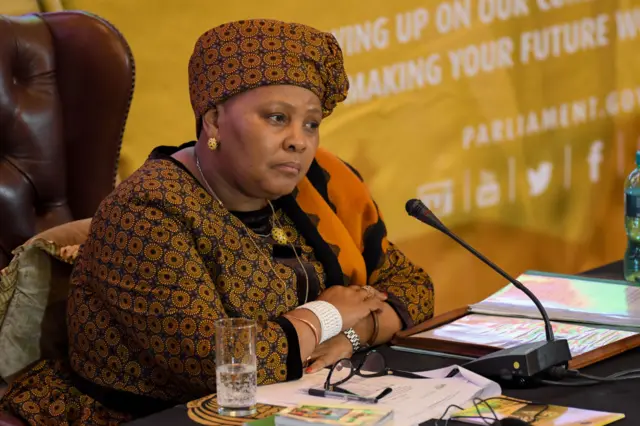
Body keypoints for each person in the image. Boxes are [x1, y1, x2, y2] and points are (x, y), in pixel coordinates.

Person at [0, 18, 434, 425]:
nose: (299, 141)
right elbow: (221, 366)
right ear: (214, 120)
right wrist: (330, 312)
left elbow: (414, 287)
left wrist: (350, 337)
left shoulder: (316, 185)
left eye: (312, 123)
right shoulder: (147, 212)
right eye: (277, 118)